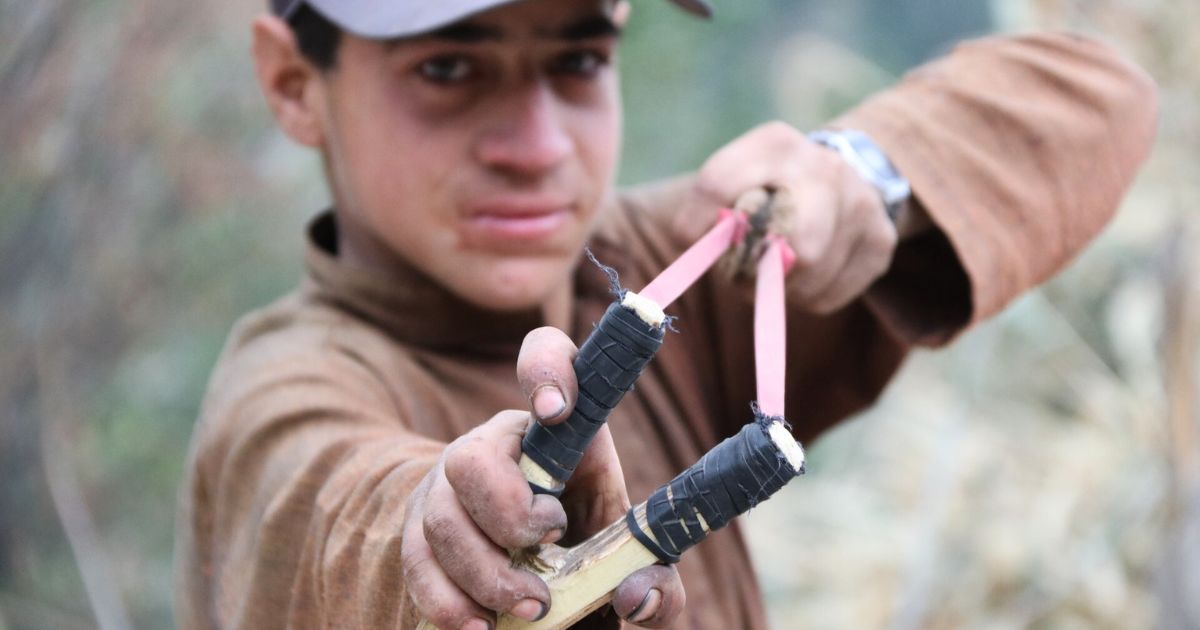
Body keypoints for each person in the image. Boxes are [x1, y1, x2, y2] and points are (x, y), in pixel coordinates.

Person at [174, 0, 1158, 628]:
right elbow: (332, 520)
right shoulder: (283, 393)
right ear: (294, 82)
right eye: (448, 69)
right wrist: (446, 527)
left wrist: (863, 177)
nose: (536, 143)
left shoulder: (675, 268)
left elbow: (1099, 96)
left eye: (581, 60)